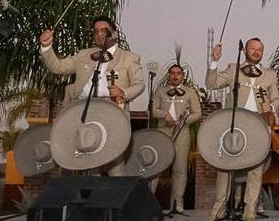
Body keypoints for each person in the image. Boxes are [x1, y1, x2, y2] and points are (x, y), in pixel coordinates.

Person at [39, 16, 144, 175]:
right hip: (84, 113)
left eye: (104, 30)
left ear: (114, 34)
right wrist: (46, 47)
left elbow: (139, 84)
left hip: (113, 114)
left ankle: (117, 199)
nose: (99, 34)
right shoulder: (83, 55)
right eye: (96, 31)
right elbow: (58, 67)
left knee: (115, 167)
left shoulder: (129, 58)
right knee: (89, 164)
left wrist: (124, 92)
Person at [205, 38, 279, 221]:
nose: (256, 52)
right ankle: (218, 209)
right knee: (225, 166)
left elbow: (277, 99)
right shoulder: (234, 69)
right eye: (252, 48)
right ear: (245, 50)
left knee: (255, 168)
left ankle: (250, 211)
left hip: (257, 125)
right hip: (234, 124)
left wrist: (270, 106)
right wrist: (214, 61)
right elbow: (212, 84)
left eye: (260, 49)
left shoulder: (270, 74)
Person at [151, 64, 202, 211]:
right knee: (157, 165)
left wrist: (184, 120)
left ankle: (177, 203)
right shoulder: (160, 91)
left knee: (180, 168)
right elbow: (153, 109)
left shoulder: (190, 92)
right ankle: (148, 200)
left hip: (182, 132)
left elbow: (197, 113)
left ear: (183, 76)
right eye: (172, 73)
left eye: (178, 73)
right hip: (163, 131)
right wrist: (164, 115)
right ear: (168, 75)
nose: (175, 76)